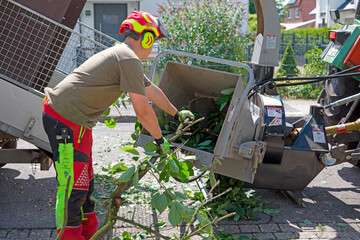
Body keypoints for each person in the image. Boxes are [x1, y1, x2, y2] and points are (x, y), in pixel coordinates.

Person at [42, 10, 194, 240]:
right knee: (74, 188)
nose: (153, 48)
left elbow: (151, 90)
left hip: (78, 123)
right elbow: (142, 110)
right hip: (65, 120)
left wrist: (176, 113)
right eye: (154, 42)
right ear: (146, 38)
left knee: (86, 184)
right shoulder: (128, 58)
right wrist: (161, 141)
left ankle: (88, 234)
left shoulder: (125, 57)